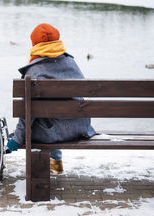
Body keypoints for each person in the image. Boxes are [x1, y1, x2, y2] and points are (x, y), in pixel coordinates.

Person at [7, 23, 96, 174]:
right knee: (49, 117)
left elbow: (28, 113)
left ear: (34, 44)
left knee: (31, 126)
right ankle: (56, 163)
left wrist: (17, 138)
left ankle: (42, 174)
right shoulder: (71, 63)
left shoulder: (33, 71)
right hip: (80, 128)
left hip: (51, 133)